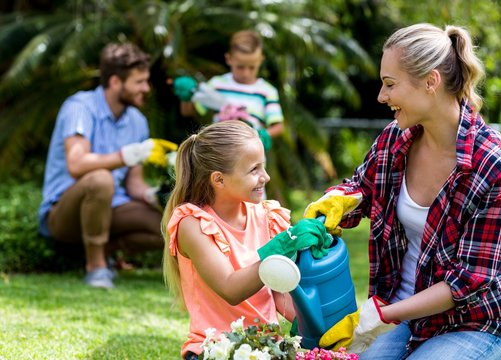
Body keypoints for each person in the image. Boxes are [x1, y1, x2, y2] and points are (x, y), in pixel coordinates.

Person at [307, 23, 501, 359]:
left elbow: (468, 280)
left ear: (430, 81)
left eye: (390, 85)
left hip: (471, 321)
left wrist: (382, 315)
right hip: (402, 315)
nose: (382, 97)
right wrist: (335, 203)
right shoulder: (396, 139)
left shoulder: (493, 164)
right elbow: (360, 190)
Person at [161, 120, 332, 359]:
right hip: (213, 350)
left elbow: (279, 293)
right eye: (254, 170)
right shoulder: (193, 223)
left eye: (263, 167)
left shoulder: (266, 216)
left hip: (268, 348)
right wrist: (282, 247)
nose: (266, 177)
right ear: (219, 179)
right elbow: (230, 288)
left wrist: (319, 326)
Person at [38, 42, 176, 289]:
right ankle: (96, 267)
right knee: (101, 178)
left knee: (173, 222)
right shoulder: (80, 108)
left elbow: (133, 182)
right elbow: (77, 164)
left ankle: (107, 252)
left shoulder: (137, 121)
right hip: (64, 214)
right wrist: (125, 155)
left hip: (112, 210)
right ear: (115, 82)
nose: (146, 88)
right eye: (139, 82)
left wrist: (152, 195)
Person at [174, 29, 284, 150]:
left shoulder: (267, 91)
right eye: (240, 67)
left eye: (252, 67)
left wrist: (264, 135)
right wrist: (186, 96)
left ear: (261, 60)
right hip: (220, 152)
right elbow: (189, 112)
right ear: (229, 59)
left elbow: (278, 126)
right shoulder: (217, 84)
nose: (246, 73)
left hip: (250, 153)